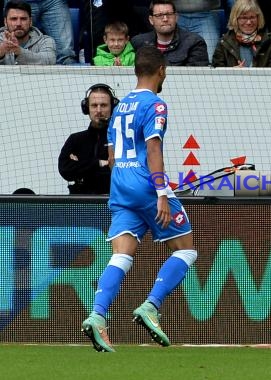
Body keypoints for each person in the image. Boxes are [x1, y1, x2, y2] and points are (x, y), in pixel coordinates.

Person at [81, 45, 198, 352]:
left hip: (120, 187)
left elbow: (112, 156)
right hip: (146, 186)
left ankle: (97, 315)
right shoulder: (156, 104)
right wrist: (161, 192)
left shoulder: (119, 108)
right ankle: (151, 305)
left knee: (121, 256)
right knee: (185, 251)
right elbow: (154, 148)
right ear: (162, 71)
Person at [58, 83, 118, 195]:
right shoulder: (75, 140)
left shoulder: (121, 139)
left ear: (113, 107)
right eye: (94, 105)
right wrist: (100, 163)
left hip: (113, 202)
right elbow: (65, 170)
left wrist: (81, 166)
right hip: (80, 204)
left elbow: (121, 171)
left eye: (104, 105)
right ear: (87, 108)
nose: (99, 110)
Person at [131, 0, 209, 66]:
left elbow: (197, 77)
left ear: (176, 17)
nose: (165, 19)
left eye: (169, 14)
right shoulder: (138, 42)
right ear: (151, 20)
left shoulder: (194, 42)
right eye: (159, 15)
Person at [212, 0, 271, 67]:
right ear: (235, 19)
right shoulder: (223, 44)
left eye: (252, 17)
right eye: (244, 18)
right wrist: (232, 73)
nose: (249, 22)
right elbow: (216, 76)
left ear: (258, 18)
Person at [0, 0, 55, 65]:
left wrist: (19, 52)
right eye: (14, 19)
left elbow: (49, 61)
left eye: (23, 19)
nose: (18, 24)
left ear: (30, 21)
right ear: (5, 22)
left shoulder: (46, 41)